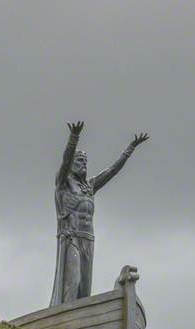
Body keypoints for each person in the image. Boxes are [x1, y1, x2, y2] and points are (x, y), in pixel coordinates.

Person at [50, 121, 149, 305]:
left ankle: (79, 317)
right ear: (72, 164)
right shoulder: (63, 183)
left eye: (85, 161)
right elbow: (65, 160)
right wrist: (74, 138)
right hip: (72, 238)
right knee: (73, 281)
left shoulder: (90, 186)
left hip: (88, 239)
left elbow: (112, 170)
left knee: (84, 289)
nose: (84, 164)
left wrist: (131, 148)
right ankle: (65, 314)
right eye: (80, 161)